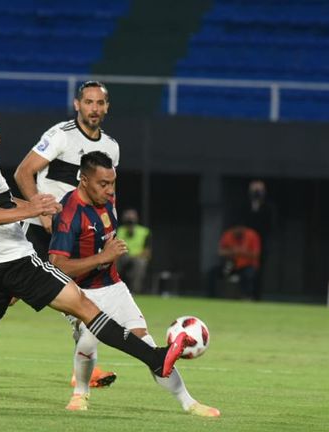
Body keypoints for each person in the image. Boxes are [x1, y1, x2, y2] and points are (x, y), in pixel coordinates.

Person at [0, 111, 189, 400]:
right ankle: (155, 358)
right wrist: (33, 210)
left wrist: (29, 202)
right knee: (84, 306)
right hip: (16, 260)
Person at [0, 80, 119, 388]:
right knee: (36, 295)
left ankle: (83, 368)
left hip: (80, 231)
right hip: (46, 227)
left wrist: (107, 226)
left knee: (71, 295)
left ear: (107, 107)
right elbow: (23, 172)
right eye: (88, 102)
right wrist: (38, 210)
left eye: (99, 103)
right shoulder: (61, 135)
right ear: (77, 104)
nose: (94, 108)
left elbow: (108, 190)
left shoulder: (111, 147)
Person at [49, 151, 219, 415]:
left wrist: (105, 256)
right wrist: (103, 256)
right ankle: (80, 394)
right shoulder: (70, 213)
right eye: (102, 184)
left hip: (113, 286)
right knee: (88, 341)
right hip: (79, 292)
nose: (109, 190)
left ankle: (190, 403)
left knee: (147, 345)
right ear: (83, 181)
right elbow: (57, 266)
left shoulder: (107, 201)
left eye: (112, 183)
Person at [239, 180, 276, 300]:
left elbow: (271, 226)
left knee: (258, 271)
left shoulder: (268, 208)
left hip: (261, 243)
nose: (256, 192)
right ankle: (244, 295)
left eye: (259, 190)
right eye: (254, 189)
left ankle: (256, 297)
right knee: (245, 270)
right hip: (245, 243)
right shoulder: (244, 206)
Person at [207, 225, 261, 299]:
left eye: (240, 228)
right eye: (235, 228)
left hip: (247, 265)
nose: (237, 231)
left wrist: (242, 252)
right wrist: (233, 251)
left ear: (243, 228)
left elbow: (256, 255)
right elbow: (221, 252)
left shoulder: (251, 235)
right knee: (212, 272)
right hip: (231, 265)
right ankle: (211, 297)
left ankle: (247, 298)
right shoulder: (228, 234)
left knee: (248, 275)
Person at [115, 209, 151, 294]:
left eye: (131, 222)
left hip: (138, 257)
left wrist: (135, 256)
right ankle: (113, 287)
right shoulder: (119, 230)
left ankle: (135, 291)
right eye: (128, 222)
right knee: (113, 261)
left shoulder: (144, 232)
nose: (130, 224)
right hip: (122, 256)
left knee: (141, 263)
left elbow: (147, 253)